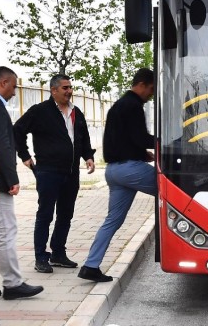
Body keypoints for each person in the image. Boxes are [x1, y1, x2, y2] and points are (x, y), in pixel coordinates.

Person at [78, 68, 157, 282]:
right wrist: (166, 140)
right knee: (174, 190)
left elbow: (124, 139)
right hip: (129, 170)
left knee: (113, 220)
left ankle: (90, 265)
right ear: (141, 84)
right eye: (151, 88)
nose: (151, 93)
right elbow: (139, 137)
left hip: (114, 171)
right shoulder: (133, 106)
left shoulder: (118, 106)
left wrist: (142, 153)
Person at [13, 74, 96, 273]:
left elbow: (82, 137)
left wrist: (88, 157)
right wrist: (24, 155)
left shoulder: (76, 112)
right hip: (48, 172)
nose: (69, 91)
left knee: (66, 214)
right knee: (45, 215)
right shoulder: (40, 111)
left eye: (70, 87)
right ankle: (41, 257)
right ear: (54, 90)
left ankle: (58, 253)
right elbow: (17, 130)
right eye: (65, 88)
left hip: (71, 172)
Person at [0, 66, 44, 300]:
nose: (14, 92)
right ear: (4, 82)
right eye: (13, 86)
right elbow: (1, 144)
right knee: (5, 231)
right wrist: (11, 179)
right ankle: (12, 284)